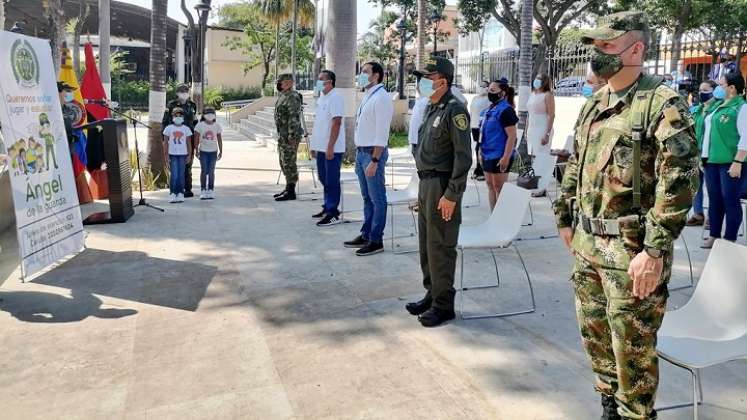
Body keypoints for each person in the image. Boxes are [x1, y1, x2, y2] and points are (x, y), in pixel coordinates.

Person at [553, 11, 698, 420]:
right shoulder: (595, 103)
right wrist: (564, 216)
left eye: (607, 46)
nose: (597, 55)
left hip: (632, 251)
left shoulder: (662, 104)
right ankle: (608, 407)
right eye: (595, 47)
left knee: (631, 349)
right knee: (595, 336)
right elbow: (575, 165)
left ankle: (636, 414)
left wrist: (654, 249)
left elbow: (681, 181)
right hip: (587, 245)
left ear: (636, 50)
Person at [404, 56, 472, 328]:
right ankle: (432, 293)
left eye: (428, 77)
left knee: (441, 245)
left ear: (442, 80)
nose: (422, 82)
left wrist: (451, 195)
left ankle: (444, 305)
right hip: (427, 184)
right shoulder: (432, 108)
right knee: (426, 245)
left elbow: (463, 158)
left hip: (443, 186)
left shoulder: (455, 110)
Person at [343, 62, 393, 256]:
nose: (361, 75)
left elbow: (382, 134)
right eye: (361, 72)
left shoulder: (381, 98)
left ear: (377, 76)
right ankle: (366, 233)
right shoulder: (368, 95)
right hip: (361, 152)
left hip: (372, 154)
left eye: (365, 72)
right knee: (367, 198)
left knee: (377, 198)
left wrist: (374, 160)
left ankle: (376, 239)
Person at [700, 72, 747, 248]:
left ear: (732, 88)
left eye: (722, 85)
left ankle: (729, 239)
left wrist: (738, 162)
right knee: (714, 200)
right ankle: (714, 235)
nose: (719, 88)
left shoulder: (741, 108)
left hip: (731, 161)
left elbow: (746, 137)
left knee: (730, 200)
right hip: (712, 161)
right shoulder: (717, 106)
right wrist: (703, 158)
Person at [310, 70, 346, 226]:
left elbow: (336, 122)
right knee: (323, 178)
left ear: (330, 81)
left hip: (332, 148)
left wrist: (330, 146)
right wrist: (314, 146)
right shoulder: (322, 98)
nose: (318, 82)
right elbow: (319, 125)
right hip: (321, 147)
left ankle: (333, 212)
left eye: (321, 79)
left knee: (331, 180)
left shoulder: (336, 98)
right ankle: (327, 206)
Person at [480, 80, 518, 210]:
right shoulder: (490, 109)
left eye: (493, 91)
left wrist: (506, 157)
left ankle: (502, 219)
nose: (489, 93)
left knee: (499, 187)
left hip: (500, 154)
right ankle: (493, 218)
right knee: (490, 185)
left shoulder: (506, 110)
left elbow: (512, 136)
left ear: (502, 93)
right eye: (489, 90)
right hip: (487, 153)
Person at [687, 81, 721, 227]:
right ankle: (698, 213)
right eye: (700, 90)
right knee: (695, 184)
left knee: (712, 187)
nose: (702, 93)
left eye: (705, 90)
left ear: (715, 91)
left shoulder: (718, 109)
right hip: (695, 152)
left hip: (711, 153)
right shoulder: (696, 110)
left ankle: (712, 217)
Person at [273, 74, 304, 202]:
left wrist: (292, 136)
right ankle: (288, 187)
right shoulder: (283, 96)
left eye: (281, 82)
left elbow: (293, 117)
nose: (279, 84)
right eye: (279, 82)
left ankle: (291, 190)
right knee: (283, 161)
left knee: (289, 162)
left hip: (289, 135)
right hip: (282, 135)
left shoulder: (292, 97)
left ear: (289, 83)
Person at [163, 84, 198, 198]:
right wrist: (165, 138)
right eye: (182, 91)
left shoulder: (192, 105)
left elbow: (195, 122)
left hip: (189, 137)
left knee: (188, 163)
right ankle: (175, 189)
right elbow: (165, 121)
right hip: (175, 138)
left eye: (186, 91)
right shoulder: (171, 105)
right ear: (177, 93)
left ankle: (187, 188)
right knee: (175, 166)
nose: (184, 93)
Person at [527, 73, 556, 197]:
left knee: (542, 158)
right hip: (532, 128)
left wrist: (547, 133)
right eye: (536, 78)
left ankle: (541, 187)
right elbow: (529, 113)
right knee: (534, 157)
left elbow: (551, 115)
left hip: (542, 128)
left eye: (539, 79)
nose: (536, 80)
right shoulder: (533, 94)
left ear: (544, 81)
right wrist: (526, 129)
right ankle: (535, 184)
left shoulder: (548, 95)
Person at [162, 107, 193, 203]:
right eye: (176, 115)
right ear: (172, 117)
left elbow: (188, 143)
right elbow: (165, 143)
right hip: (173, 154)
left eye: (180, 115)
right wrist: (166, 155)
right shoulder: (168, 128)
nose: (178, 117)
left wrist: (189, 155)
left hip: (183, 155)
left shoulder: (186, 129)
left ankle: (180, 193)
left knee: (181, 175)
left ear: (183, 117)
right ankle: (173, 193)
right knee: (174, 175)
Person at [193, 107, 223, 200]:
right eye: (207, 113)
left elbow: (219, 139)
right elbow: (196, 138)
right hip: (203, 151)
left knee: (211, 171)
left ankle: (210, 190)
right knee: (204, 170)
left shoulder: (217, 126)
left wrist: (221, 151)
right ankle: (203, 190)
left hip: (213, 151)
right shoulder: (199, 125)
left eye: (212, 113)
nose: (210, 115)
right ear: (203, 115)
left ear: (214, 115)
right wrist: (196, 150)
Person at [469, 81, 490, 181]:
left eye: (484, 86)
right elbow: (471, 112)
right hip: (474, 126)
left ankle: (481, 170)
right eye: (480, 85)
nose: (481, 87)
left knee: (480, 148)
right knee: (477, 148)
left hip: (482, 127)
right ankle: (478, 168)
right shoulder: (475, 98)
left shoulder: (489, 99)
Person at [408, 74, 430, 155]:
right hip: (415, 140)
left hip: (421, 141)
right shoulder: (420, 100)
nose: (417, 87)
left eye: (420, 84)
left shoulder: (428, 101)